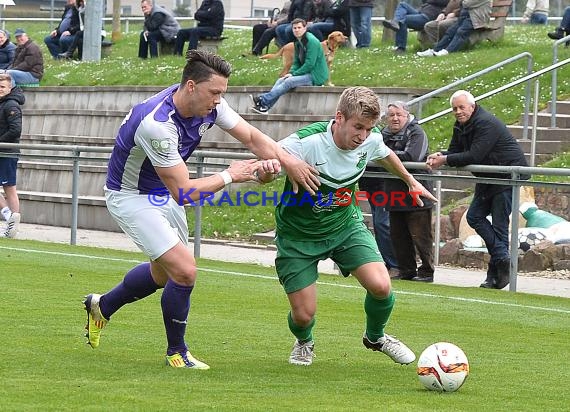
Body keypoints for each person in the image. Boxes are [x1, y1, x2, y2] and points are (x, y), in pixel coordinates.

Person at [83, 49, 320, 369]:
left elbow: (251, 136)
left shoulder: (211, 104)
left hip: (161, 192)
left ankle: (102, 306)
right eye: (215, 93)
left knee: (162, 275)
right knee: (184, 270)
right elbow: (183, 192)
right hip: (131, 196)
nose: (219, 100)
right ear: (191, 86)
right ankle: (176, 353)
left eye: (222, 93)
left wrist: (284, 164)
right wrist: (232, 175)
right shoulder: (158, 124)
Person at [255, 86, 437, 366]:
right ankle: (304, 341)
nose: (362, 136)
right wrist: (270, 172)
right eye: (358, 127)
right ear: (339, 117)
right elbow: (267, 167)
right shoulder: (306, 142)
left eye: (369, 129)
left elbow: (384, 152)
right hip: (298, 236)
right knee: (304, 316)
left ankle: (376, 337)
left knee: (381, 286)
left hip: (345, 226)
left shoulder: (370, 138)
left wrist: (409, 181)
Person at [426, 90, 529, 290]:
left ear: (472, 107)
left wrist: (445, 159)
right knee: (474, 217)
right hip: (488, 176)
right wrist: (441, 154)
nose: (457, 112)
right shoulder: (460, 125)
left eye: (461, 107)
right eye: (454, 108)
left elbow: (475, 154)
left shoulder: (486, 123)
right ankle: (502, 259)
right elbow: (457, 152)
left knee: (499, 226)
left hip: (507, 177)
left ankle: (496, 274)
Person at [382, 102, 435, 282]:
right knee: (398, 236)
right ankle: (406, 270)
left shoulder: (417, 132)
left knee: (421, 237)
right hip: (393, 193)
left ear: (407, 115)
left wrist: (386, 155)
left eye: (399, 114)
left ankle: (427, 272)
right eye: (391, 115)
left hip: (417, 194)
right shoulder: (384, 134)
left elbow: (413, 156)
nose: (395, 118)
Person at [250, 18, 328, 114]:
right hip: (305, 73)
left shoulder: (312, 41)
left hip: (315, 75)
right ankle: (264, 107)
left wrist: (294, 74)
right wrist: (291, 72)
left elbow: (310, 64)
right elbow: (296, 62)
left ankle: (263, 99)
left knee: (289, 81)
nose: (297, 30)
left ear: (305, 28)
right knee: (281, 79)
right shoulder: (297, 42)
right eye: (294, 28)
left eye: (299, 27)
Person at [416, 0, 492, 57]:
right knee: (450, 31)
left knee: (461, 32)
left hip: (475, 18)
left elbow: (467, 3)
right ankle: (435, 50)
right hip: (465, 16)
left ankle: (447, 51)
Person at [0, 73, 24, 238]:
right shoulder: (3, 104)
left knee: (9, 188)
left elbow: (15, 130)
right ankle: (10, 218)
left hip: (7, 152)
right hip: (2, 150)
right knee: (9, 188)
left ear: (10, 88)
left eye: (2, 87)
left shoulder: (11, 105)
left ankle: (12, 222)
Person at [382, 0, 449, 54]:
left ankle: (401, 48)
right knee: (403, 4)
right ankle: (395, 21)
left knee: (403, 20)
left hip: (428, 16)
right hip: (421, 12)